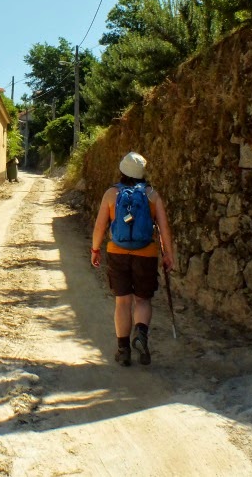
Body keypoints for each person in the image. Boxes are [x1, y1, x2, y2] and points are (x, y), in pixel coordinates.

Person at [91, 151, 175, 366]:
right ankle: (141, 333)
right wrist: (168, 254)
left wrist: (95, 249)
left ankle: (123, 350)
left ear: (122, 171)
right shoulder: (152, 195)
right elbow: (164, 229)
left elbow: (100, 226)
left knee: (122, 301)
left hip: (117, 252)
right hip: (146, 254)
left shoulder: (111, 194)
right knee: (142, 300)